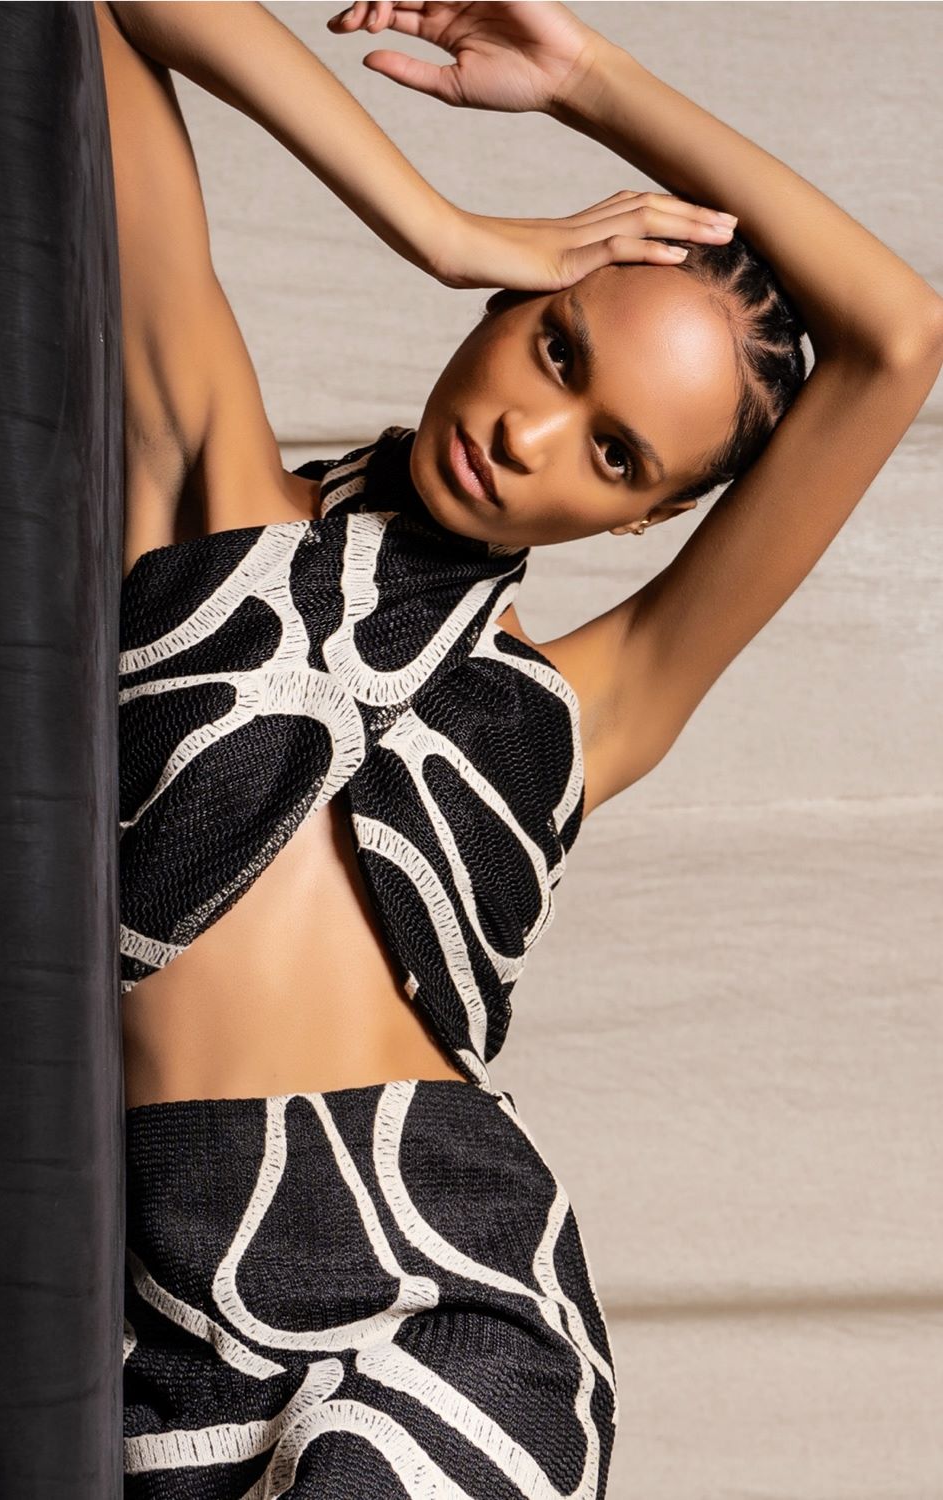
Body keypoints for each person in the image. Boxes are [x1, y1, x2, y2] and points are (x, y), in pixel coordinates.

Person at [96, 2, 942, 1494]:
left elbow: (900, 336)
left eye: (617, 453)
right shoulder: (207, 484)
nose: (534, 437)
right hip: (152, 1316)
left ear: (645, 518)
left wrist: (596, 81)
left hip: (455, 1293)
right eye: (557, 350)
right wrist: (434, 219)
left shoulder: (583, 709)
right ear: (512, 298)